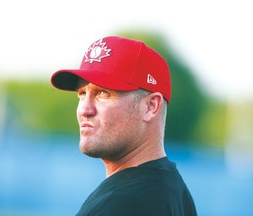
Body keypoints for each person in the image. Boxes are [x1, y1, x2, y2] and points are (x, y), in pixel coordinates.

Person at [51, 36, 197, 216]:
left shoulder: (126, 204)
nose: (84, 109)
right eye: (82, 93)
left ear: (151, 107)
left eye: (103, 93)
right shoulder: (171, 189)